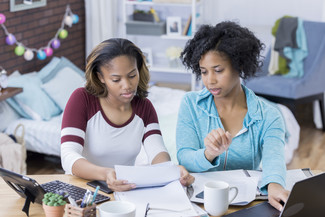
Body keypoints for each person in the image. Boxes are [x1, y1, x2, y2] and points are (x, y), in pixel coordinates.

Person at [176, 21, 289, 211]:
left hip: (245, 206)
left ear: (239, 66)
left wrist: (275, 185)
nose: (209, 80)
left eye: (218, 70)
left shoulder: (268, 115)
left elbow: (274, 159)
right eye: (204, 72)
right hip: (197, 204)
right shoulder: (190, 104)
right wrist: (209, 153)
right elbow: (184, 157)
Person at [61, 38, 194, 192]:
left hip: (123, 190)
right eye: (116, 79)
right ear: (100, 77)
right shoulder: (82, 99)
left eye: (132, 76)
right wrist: (107, 173)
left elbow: (157, 151)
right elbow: (68, 156)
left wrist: (170, 170)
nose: (127, 86)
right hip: (82, 189)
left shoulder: (144, 107)